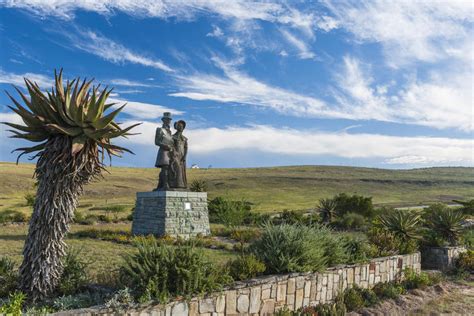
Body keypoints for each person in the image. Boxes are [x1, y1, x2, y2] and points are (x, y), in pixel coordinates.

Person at [154, 112, 174, 190]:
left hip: (170, 152)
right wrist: (165, 146)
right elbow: (156, 142)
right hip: (163, 151)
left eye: (169, 119)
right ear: (163, 120)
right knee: (165, 167)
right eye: (167, 119)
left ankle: (161, 184)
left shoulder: (170, 131)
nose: (168, 121)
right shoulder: (159, 129)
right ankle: (165, 184)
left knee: (169, 168)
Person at [169, 120, 188, 189]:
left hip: (182, 157)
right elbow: (171, 146)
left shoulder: (185, 139)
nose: (181, 128)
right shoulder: (173, 137)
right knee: (176, 170)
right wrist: (173, 154)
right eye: (179, 126)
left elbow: (186, 148)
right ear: (176, 127)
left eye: (182, 127)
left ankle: (183, 185)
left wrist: (185, 156)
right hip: (175, 156)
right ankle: (175, 185)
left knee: (182, 171)